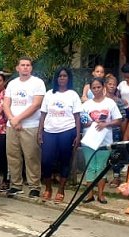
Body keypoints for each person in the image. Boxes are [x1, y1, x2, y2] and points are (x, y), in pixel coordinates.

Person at [4, 57, 46, 198]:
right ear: (17, 68)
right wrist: (12, 119)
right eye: (22, 65)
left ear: (31, 68)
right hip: (12, 126)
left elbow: (36, 105)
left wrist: (18, 118)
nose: (25, 67)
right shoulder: (12, 84)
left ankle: (34, 186)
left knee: (31, 156)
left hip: (30, 125)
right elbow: (6, 104)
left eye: (28, 65)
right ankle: (16, 185)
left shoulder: (38, 83)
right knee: (13, 156)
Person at [38, 67, 82, 204]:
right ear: (56, 78)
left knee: (65, 160)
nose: (62, 78)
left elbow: (77, 116)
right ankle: (48, 188)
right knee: (46, 161)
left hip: (67, 131)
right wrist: (40, 132)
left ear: (68, 78)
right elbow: (43, 114)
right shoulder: (49, 94)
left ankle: (61, 190)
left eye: (65, 76)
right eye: (60, 76)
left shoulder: (73, 95)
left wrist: (78, 135)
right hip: (49, 131)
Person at [81, 77, 122, 204]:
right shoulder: (86, 105)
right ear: (90, 89)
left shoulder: (110, 103)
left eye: (99, 87)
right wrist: (90, 122)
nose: (96, 90)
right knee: (90, 167)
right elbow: (82, 122)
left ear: (103, 87)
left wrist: (106, 124)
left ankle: (101, 194)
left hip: (105, 141)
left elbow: (119, 120)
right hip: (89, 140)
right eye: (94, 87)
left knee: (101, 167)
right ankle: (89, 194)